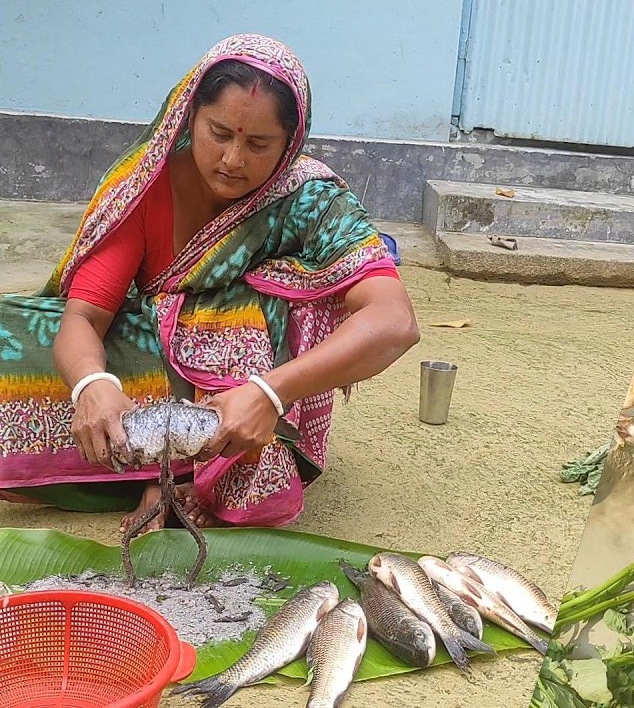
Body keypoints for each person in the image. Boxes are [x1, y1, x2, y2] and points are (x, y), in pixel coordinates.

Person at [0, 34, 420, 534]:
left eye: (259, 144)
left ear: (291, 142)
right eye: (219, 133)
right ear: (189, 115)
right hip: (153, 363)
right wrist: (92, 385)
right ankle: (171, 464)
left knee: (256, 302)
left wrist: (268, 393)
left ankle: (186, 471)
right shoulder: (146, 187)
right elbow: (84, 317)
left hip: (252, 395)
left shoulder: (311, 200)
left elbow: (395, 320)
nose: (233, 159)